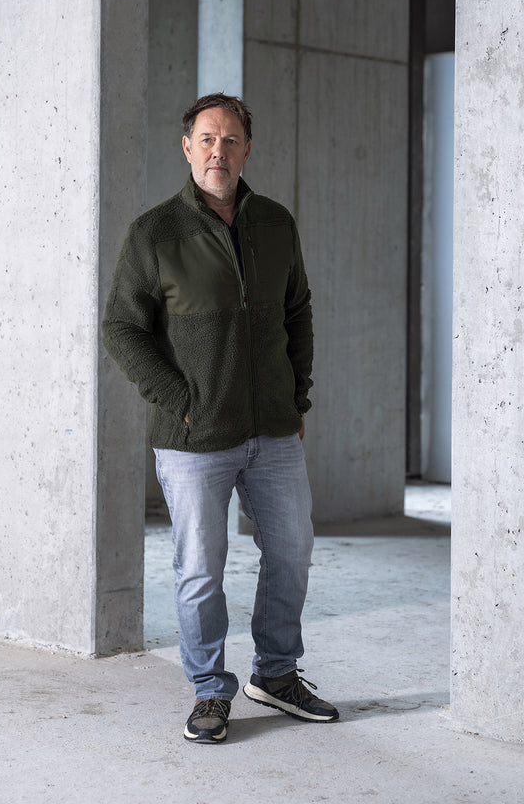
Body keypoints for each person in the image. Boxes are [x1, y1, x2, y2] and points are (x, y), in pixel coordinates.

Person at [102, 92, 339, 743]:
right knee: (202, 570)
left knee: (292, 550)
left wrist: (297, 399)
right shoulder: (155, 233)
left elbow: (297, 312)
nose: (218, 151)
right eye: (206, 139)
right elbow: (121, 327)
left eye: (230, 140)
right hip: (193, 438)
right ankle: (210, 690)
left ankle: (276, 674)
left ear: (247, 150)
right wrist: (179, 399)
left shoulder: (275, 223)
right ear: (187, 148)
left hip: (273, 429)